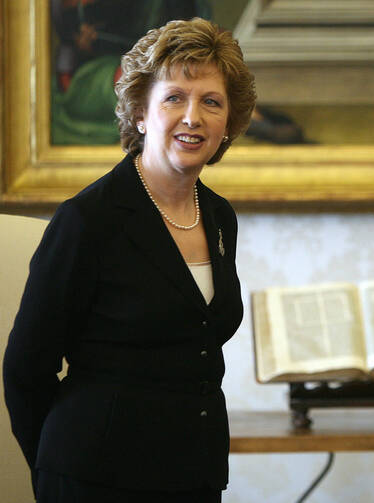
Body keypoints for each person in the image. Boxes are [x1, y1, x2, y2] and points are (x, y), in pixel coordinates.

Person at [4, 18, 255, 503]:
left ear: (228, 123)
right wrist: (53, 468)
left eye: (211, 101)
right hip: (96, 478)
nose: (193, 117)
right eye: (174, 97)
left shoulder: (220, 216)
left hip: (195, 474)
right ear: (141, 112)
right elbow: (25, 368)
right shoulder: (87, 219)